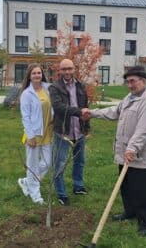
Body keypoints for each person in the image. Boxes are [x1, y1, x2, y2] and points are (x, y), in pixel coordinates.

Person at [82, 66, 146, 236]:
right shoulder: (130, 98)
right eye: (128, 82)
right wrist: (93, 113)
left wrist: (132, 148)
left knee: (142, 190)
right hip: (125, 152)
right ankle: (130, 212)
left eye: (133, 81)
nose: (130, 85)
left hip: (140, 154)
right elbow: (113, 112)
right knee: (126, 186)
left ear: (143, 81)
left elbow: (144, 130)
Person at [48, 58, 90, 206]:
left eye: (70, 68)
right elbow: (58, 107)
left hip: (79, 131)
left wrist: (86, 128)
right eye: (64, 69)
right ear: (60, 71)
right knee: (59, 163)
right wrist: (79, 112)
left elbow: (85, 107)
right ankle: (61, 193)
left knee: (80, 161)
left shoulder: (81, 85)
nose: (67, 72)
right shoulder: (54, 87)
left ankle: (78, 186)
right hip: (63, 132)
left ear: (74, 69)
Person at [17, 63, 53, 205]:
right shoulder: (27, 94)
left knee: (47, 162)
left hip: (47, 131)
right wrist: (30, 136)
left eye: (39, 73)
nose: (37, 75)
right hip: (34, 134)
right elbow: (25, 117)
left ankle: (26, 181)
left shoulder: (47, 88)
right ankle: (36, 195)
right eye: (34, 73)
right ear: (29, 76)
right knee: (32, 165)